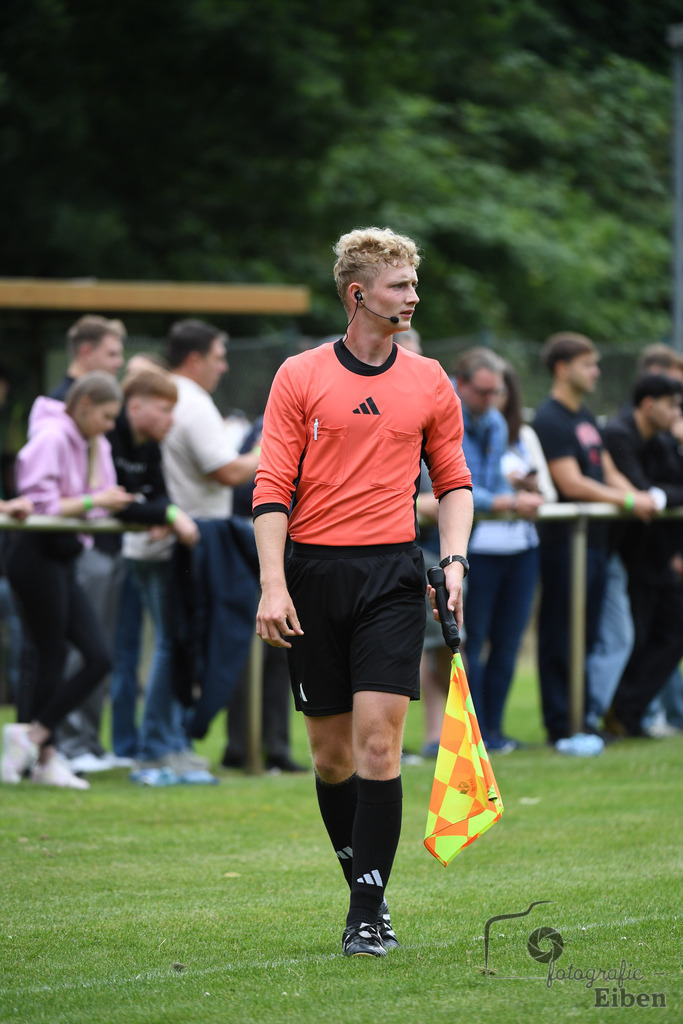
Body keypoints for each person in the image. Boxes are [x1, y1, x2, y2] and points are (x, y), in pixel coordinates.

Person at [253, 227, 473, 957]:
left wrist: (454, 561)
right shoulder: (300, 374)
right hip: (312, 575)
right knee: (330, 758)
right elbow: (270, 487)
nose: (413, 296)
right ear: (358, 294)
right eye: (399, 285)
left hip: (391, 574)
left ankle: (366, 913)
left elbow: (454, 482)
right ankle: (364, 891)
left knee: (379, 744)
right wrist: (273, 585)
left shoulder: (430, 379)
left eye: (413, 283)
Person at [0, 373, 135, 789]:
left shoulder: (96, 443)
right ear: (85, 405)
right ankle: (43, 753)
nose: (111, 426)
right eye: (107, 416)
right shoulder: (53, 437)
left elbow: (101, 501)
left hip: (62, 554)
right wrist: (96, 501)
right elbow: (39, 502)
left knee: (95, 656)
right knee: (52, 653)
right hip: (35, 552)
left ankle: (35, 740)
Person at [532, 332, 657, 745]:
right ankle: (561, 723)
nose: (596, 372)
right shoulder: (550, 418)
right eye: (588, 364)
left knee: (587, 635)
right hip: (566, 544)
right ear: (563, 368)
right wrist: (625, 500)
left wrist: (632, 493)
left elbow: (604, 469)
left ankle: (582, 718)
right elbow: (571, 482)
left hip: (596, 544)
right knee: (561, 632)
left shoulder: (584, 416)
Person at [106, 369, 215, 784]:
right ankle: (154, 748)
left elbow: (156, 494)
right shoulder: (110, 437)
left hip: (159, 550)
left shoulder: (151, 445)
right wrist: (167, 514)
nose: (172, 418)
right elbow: (119, 501)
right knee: (169, 645)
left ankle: (169, 743)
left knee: (178, 644)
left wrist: (159, 508)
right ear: (136, 406)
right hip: (145, 554)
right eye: (165, 409)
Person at [162, 319, 261, 738]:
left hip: (171, 535)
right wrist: (273, 447)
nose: (223, 368)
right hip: (187, 541)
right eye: (219, 358)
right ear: (195, 358)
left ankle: (157, 740)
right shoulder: (193, 400)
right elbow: (226, 471)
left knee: (170, 644)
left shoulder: (169, 395)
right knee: (177, 645)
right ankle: (163, 741)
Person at [453, 349, 544, 751]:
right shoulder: (450, 416)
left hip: (509, 545)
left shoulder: (492, 421)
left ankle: (495, 730)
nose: (492, 400)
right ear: (462, 385)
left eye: (497, 392)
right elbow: (461, 484)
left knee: (507, 643)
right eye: (484, 392)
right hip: (471, 550)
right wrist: (508, 502)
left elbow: (486, 484)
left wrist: (515, 494)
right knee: (470, 642)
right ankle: (473, 732)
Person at [601, 373, 683, 737]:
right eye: (672, 405)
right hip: (626, 556)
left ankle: (628, 711)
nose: (677, 412)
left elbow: (663, 491)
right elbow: (639, 490)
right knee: (631, 636)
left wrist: (661, 496)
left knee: (671, 632)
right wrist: (657, 495)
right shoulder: (619, 434)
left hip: (659, 557)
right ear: (649, 404)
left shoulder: (664, 440)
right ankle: (617, 712)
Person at [50, 316, 126, 401]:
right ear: (86, 352)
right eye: (112, 354)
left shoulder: (102, 397)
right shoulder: (60, 404)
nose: (120, 362)